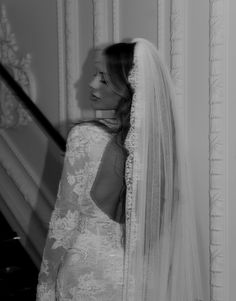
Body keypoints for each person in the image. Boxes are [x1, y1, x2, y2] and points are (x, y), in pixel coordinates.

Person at [36, 38, 203, 301]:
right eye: (95, 74)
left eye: (103, 78)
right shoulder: (161, 153)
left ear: (128, 89)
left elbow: (63, 224)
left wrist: (45, 285)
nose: (91, 84)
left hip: (85, 274)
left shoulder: (85, 137)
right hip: (139, 281)